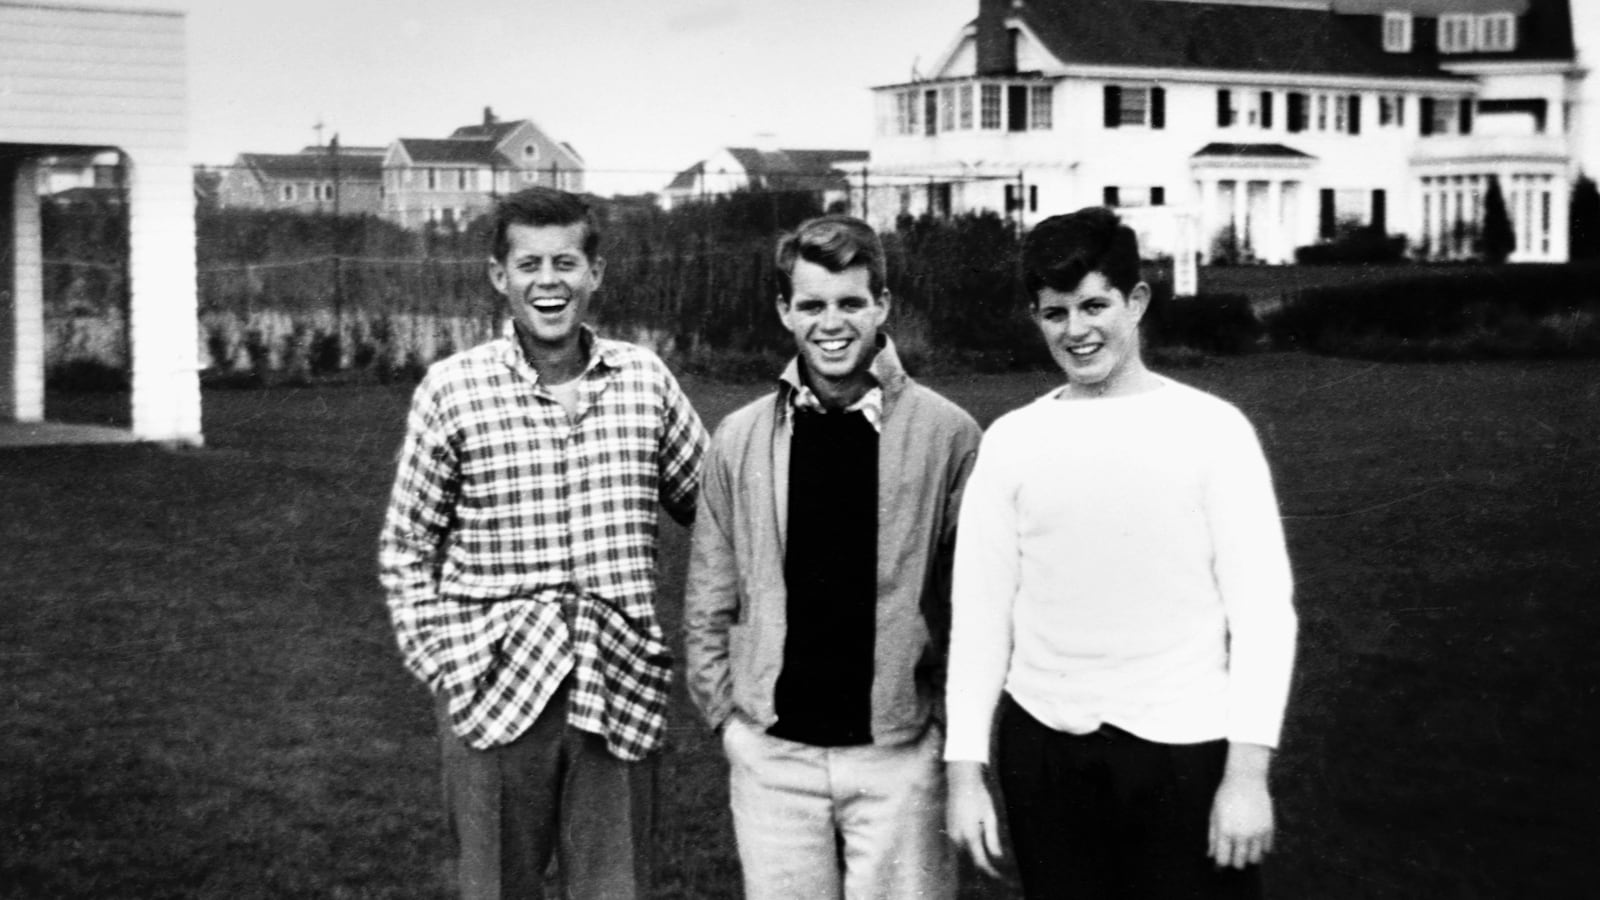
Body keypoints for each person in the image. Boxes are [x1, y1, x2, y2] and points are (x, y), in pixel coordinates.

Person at [944, 207, 1298, 899]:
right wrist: (965, 773)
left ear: (1136, 302)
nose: (1076, 331)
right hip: (1045, 752)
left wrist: (1248, 774)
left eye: (1094, 305)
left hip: (1182, 751)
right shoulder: (1013, 442)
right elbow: (981, 616)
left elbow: (1263, 614)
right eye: (1054, 313)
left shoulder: (1212, 432)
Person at [377, 186, 708, 900]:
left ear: (596, 272)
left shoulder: (644, 380)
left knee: (615, 888)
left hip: (616, 682)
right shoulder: (453, 389)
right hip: (493, 687)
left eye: (566, 262)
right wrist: (443, 661)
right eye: (529, 264)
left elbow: (716, 512)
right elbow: (406, 545)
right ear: (500, 275)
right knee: (496, 886)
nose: (548, 282)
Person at [684, 214, 983, 900]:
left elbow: (974, 605)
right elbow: (709, 592)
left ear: (883, 304)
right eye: (812, 304)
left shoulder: (949, 435)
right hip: (773, 758)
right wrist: (728, 722)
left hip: (897, 758)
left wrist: (940, 730)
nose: (832, 322)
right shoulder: (739, 438)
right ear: (785, 310)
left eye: (851, 302)